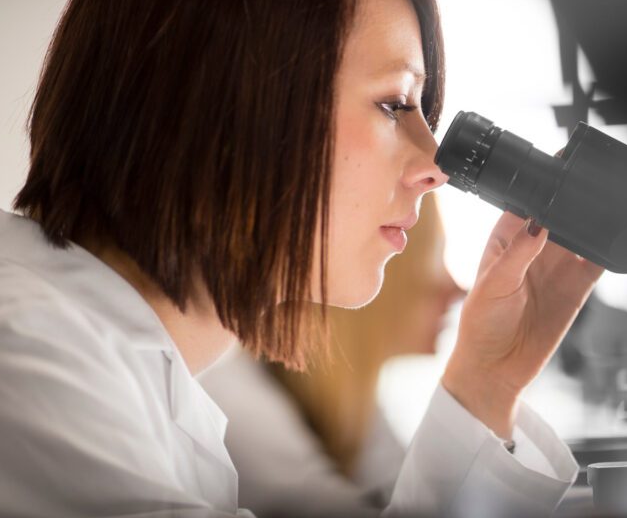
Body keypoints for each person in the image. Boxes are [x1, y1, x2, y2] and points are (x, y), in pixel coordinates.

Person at [0, 0, 604, 517]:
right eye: (393, 104)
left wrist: (488, 381)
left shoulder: (130, 368)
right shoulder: (19, 355)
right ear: (229, 107)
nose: (433, 167)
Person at [199, 193, 466, 515]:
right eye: (436, 256)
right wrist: (486, 384)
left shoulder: (355, 408)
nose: (458, 291)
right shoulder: (227, 391)